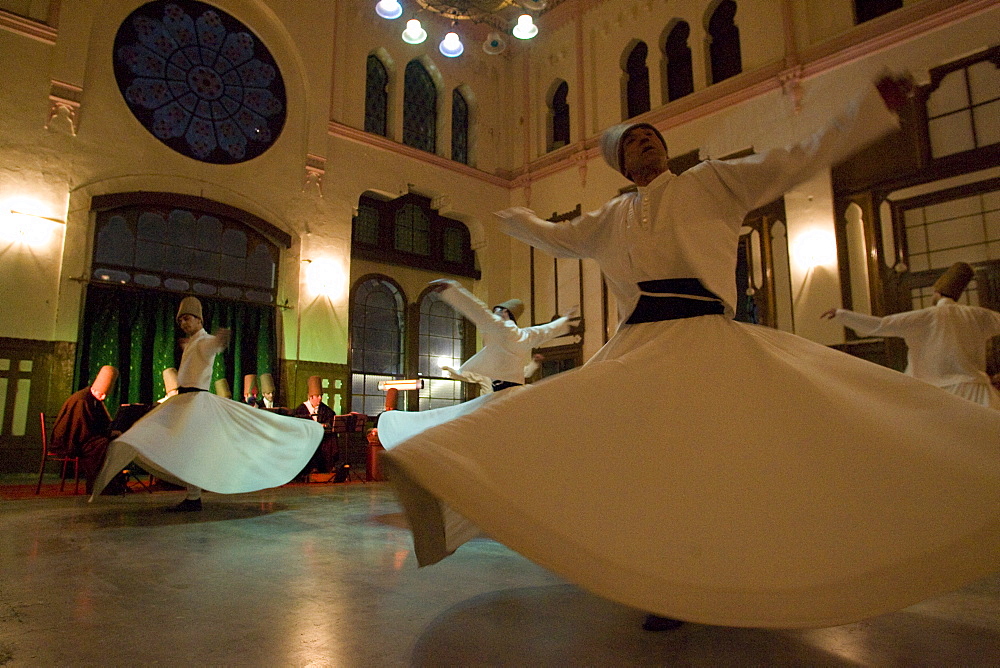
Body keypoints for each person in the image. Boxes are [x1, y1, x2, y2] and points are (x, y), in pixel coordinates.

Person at [380, 74, 1000, 629]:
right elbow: (559, 237)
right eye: (633, 145)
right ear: (622, 165)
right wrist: (508, 217)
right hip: (640, 348)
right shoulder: (611, 216)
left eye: (651, 139)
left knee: (712, 461)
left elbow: (795, 159)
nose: (646, 147)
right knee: (583, 435)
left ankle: (717, 577)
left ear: (666, 149)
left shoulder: (712, 181)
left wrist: (868, 113)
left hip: (706, 340)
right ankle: (444, 467)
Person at [89, 296, 323, 509]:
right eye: (180, 320)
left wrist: (220, 339)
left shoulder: (203, 341)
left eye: (187, 318)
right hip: (184, 401)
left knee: (194, 448)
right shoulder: (192, 342)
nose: (183, 323)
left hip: (195, 401)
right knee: (165, 439)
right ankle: (192, 496)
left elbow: (212, 346)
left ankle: (194, 497)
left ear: (199, 319)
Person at [376, 280, 576, 450]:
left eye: (496, 311)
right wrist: (565, 320)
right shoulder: (525, 335)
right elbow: (546, 330)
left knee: (451, 422)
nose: (493, 313)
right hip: (515, 396)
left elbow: (476, 309)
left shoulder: (498, 327)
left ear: (505, 313)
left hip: (500, 398)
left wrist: (450, 290)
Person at [822, 262, 1000, 408]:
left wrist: (842, 315)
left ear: (936, 293)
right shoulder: (979, 316)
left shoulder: (927, 317)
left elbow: (880, 325)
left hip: (937, 394)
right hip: (978, 394)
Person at [50, 365, 119, 494]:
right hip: (70, 440)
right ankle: (97, 486)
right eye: (101, 393)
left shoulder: (94, 399)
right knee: (102, 445)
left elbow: (102, 423)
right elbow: (81, 430)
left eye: (105, 394)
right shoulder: (81, 400)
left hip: (84, 437)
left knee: (113, 441)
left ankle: (112, 483)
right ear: (95, 388)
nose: (103, 397)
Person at [293, 376, 338, 474]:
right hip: (307, 438)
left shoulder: (326, 410)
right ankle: (312, 468)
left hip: (323, 437)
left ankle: (330, 466)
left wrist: (325, 425)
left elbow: (331, 420)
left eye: (321, 395)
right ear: (310, 397)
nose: (320, 398)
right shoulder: (301, 409)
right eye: (317, 396)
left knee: (331, 438)